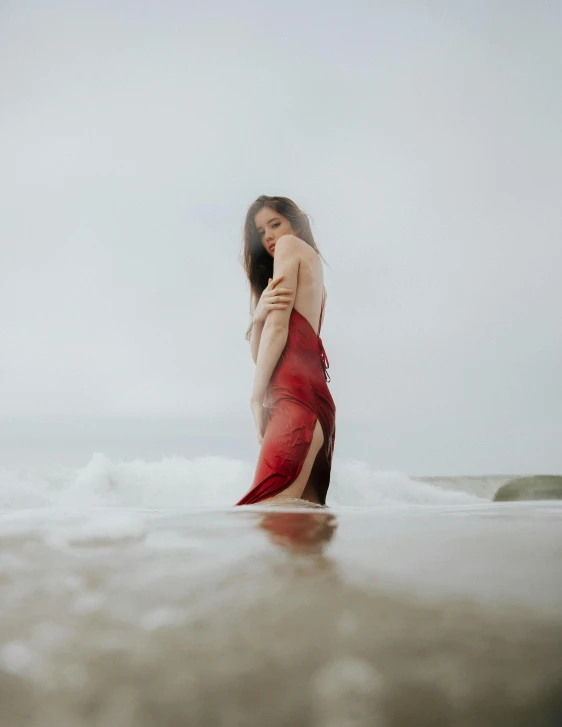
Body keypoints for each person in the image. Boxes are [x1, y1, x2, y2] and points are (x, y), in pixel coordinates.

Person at [234, 195, 336, 506]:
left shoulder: (291, 246)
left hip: (295, 404)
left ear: (295, 223)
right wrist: (259, 315)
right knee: (306, 531)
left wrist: (254, 397)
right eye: (261, 232)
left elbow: (278, 332)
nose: (269, 236)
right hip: (314, 405)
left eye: (275, 224)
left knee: (264, 513)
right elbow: (264, 352)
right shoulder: (318, 282)